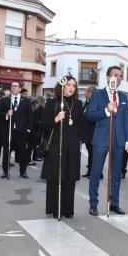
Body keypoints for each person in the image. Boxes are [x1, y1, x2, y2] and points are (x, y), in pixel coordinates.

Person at [86, 66, 128, 216]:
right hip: (101, 139)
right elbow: (90, 116)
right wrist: (106, 111)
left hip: (119, 140)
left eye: (120, 76)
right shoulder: (97, 95)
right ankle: (93, 203)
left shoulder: (124, 97)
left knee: (116, 174)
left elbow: (126, 121)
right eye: (115, 75)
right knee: (96, 172)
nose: (118, 78)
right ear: (107, 77)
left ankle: (115, 203)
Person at [40, 77, 84, 218]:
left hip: (72, 146)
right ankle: (55, 208)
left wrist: (80, 140)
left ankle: (67, 209)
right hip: (55, 145)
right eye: (69, 85)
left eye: (74, 86)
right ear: (62, 86)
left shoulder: (77, 104)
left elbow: (81, 126)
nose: (71, 88)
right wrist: (56, 119)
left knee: (69, 177)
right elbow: (43, 125)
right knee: (55, 177)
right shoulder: (53, 103)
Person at [0, 82, 32, 179]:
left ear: (20, 89)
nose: (14, 88)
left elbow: (30, 116)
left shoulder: (26, 101)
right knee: (6, 151)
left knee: (22, 152)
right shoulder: (5, 100)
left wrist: (28, 129)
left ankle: (23, 171)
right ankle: (5, 171)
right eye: (12, 86)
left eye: (16, 86)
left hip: (22, 131)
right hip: (8, 131)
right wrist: (6, 114)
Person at [82, 85, 96, 177]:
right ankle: (90, 171)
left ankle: (95, 173)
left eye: (86, 91)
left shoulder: (94, 103)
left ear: (90, 93)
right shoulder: (87, 103)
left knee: (93, 154)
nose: (84, 93)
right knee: (91, 154)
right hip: (87, 134)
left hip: (93, 134)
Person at [28, 96, 45, 164]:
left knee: (31, 146)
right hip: (34, 130)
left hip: (32, 130)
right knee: (31, 146)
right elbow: (35, 121)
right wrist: (41, 123)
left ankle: (29, 159)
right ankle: (28, 160)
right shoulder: (36, 110)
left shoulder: (33, 109)